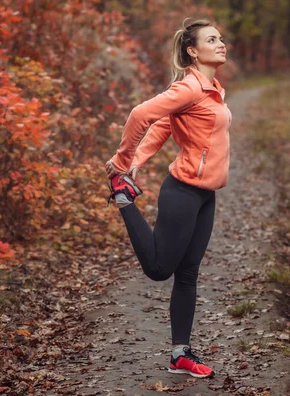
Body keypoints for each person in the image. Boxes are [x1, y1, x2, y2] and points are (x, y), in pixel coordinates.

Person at [104, 18, 231, 379]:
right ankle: (124, 199)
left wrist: (138, 162)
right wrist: (124, 162)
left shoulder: (212, 88)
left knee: (188, 273)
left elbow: (163, 125)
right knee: (160, 270)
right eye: (211, 39)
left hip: (206, 196)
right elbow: (140, 114)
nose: (221, 43)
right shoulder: (190, 87)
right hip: (183, 192)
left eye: (221, 38)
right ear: (193, 50)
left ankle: (180, 355)